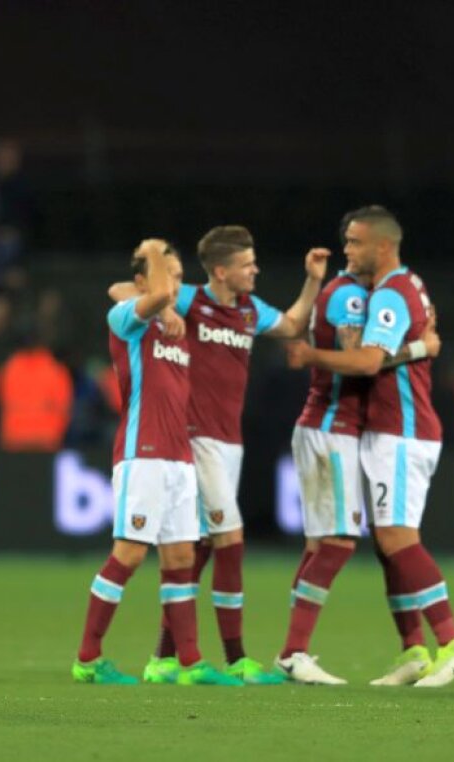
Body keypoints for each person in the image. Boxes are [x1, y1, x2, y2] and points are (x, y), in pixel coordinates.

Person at [112, 225, 326, 685]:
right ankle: (236, 659)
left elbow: (291, 325)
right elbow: (125, 290)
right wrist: (167, 308)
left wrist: (312, 280)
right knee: (230, 538)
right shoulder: (191, 299)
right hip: (195, 437)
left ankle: (163, 658)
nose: (256, 270)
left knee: (199, 548)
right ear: (222, 271)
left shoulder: (249, 310)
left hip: (230, 443)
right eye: (248, 264)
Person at [286, 205, 454, 688]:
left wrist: (310, 354)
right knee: (380, 546)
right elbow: (388, 352)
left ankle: (452, 643)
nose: (346, 250)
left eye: (355, 242)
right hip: (375, 431)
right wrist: (419, 349)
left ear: (383, 246)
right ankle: (413, 649)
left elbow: (367, 360)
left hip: (398, 431)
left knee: (393, 539)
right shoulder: (404, 286)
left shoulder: (388, 294)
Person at [72, 239, 240, 687]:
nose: (177, 285)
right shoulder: (126, 321)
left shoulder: (175, 326)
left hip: (180, 458)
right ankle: (88, 658)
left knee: (181, 556)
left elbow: (152, 292)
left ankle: (190, 663)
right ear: (144, 280)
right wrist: (151, 258)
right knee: (128, 554)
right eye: (170, 273)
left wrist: (164, 295)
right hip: (141, 453)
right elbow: (128, 291)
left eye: (182, 276)